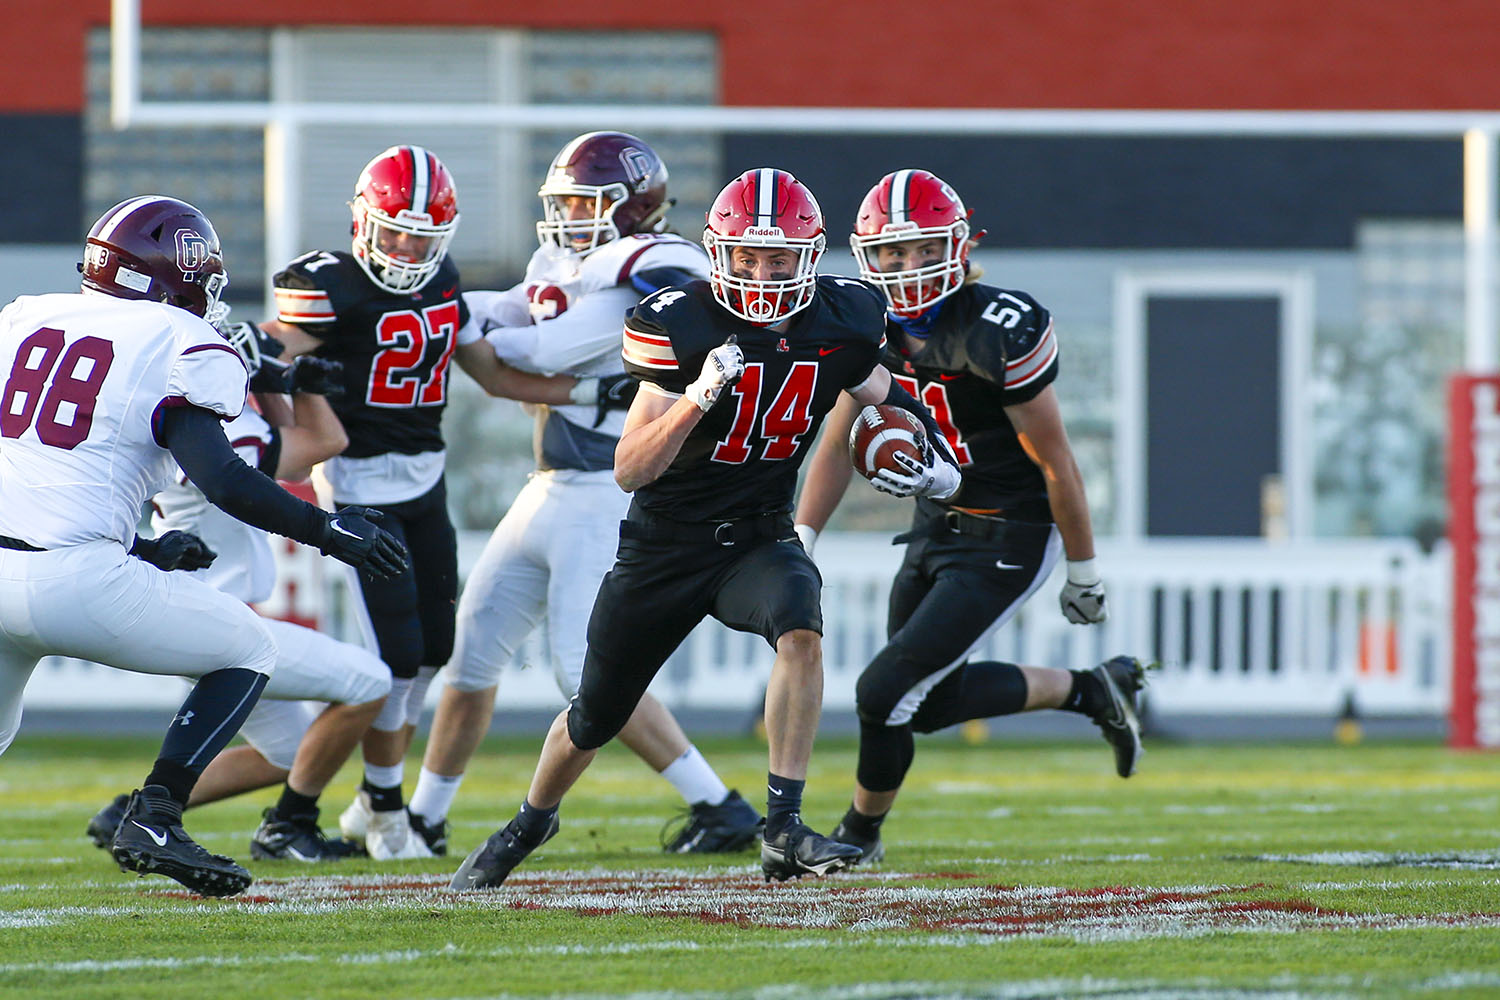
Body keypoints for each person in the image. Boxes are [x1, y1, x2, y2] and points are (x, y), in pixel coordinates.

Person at [448, 167, 963, 891]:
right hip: (667, 540)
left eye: (778, 259)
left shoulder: (843, 318)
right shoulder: (680, 322)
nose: (761, 273)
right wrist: (695, 400)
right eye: (747, 258)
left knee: (801, 630)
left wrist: (935, 463)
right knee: (595, 714)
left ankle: (781, 827)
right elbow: (630, 469)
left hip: (757, 533)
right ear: (719, 253)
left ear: (809, 257)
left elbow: (885, 395)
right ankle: (529, 821)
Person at [0, 195, 406, 896]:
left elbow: (48, 471)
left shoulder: (25, 316)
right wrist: (328, 530)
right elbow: (224, 478)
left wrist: (145, 549)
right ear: (179, 276)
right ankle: (155, 813)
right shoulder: (175, 338)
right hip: (75, 578)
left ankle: (157, 814)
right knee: (248, 647)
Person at [253, 145, 631, 859]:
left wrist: (586, 391)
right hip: (358, 486)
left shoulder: (443, 282)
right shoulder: (328, 283)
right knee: (394, 658)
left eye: (421, 238)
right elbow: (269, 353)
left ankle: (371, 801)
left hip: (426, 481)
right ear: (364, 221)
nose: (405, 249)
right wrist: (289, 405)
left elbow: (490, 374)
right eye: (394, 232)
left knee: (432, 651)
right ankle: (368, 812)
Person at [409, 132, 762, 856]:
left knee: (584, 670)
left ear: (631, 209)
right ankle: (421, 817)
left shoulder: (656, 271)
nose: (568, 215)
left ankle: (719, 806)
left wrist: (449, 317)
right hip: (548, 487)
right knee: (471, 653)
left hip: (606, 488)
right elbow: (511, 311)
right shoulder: (571, 264)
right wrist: (453, 308)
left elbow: (542, 347)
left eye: (583, 202)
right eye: (563, 201)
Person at [791, 169, 1146, 865]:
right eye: (892, 253)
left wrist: (1084, 570)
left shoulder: (997, 328)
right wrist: (802, 538)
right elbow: (836, 440)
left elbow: (1056, 462)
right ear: (867, 257)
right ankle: (1091, 690)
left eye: (923, 249)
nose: (908, 267)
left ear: (960, 246)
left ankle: (859, 837)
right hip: (935, 523)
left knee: (883, 692)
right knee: (918, 703)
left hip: (1010, 531)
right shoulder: (862, 325)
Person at [84, 323, 395, 862]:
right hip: (215, 621)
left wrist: (278, 380)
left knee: (296, 754)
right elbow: (321, 445)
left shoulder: (177, 423)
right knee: (369, 682)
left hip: (189, 607)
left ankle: (133, 811)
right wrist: (296, 387)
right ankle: (287, 827)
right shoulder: (233, 434)